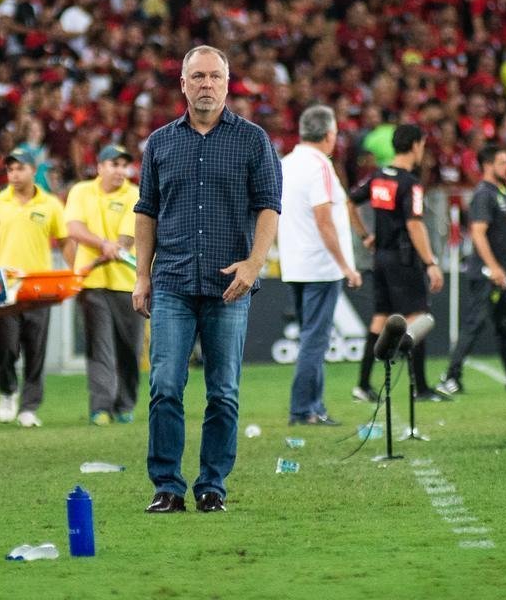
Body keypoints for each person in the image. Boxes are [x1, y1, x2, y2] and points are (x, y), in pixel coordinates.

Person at [132, 44, 282, 514]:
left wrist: (255, 263)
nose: (206, 85)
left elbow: (269, 206)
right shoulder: (159, 142)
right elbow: (146, 212)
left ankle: (213, 484)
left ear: (227, 82)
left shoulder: (253, 139)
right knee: (165, 386)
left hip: (229, 283)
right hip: (173, 280)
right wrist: (141, 276)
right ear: (182, 84)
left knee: (223, 391)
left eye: (214, 77)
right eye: (197, 77)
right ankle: (167, 486)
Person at [278, 104, 367, 426]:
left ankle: (313, 406)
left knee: (309, 337)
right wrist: (345, 265)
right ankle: (303, 409)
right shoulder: (320, 167)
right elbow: (324, 220)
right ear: (330, 135)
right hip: (320, 266)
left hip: (295, 263)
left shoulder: (286, 163)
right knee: (315, 340)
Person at [349, 124, 446, 403]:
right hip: (404, 260)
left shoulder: (378, 177)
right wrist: (430, 263)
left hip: (380, 258)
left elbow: (350, 202)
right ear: (415, 145)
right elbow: (415, 225)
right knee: (418, 317)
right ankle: (421, 388)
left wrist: (366, 236)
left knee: (381, 317)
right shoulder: (410, 183)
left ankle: (363, 385)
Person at [0, 147, 72, 428]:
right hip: (4, 288)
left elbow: (65, 240)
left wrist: (73, 271)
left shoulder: (51, 204)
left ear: (33, 171)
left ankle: (29, 407)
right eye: (10, 169)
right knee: (4, 346)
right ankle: (7, 391)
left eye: (20, 168)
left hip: (39, 287)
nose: (14, 174)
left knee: (36, 348)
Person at [64, 143, 142, 426]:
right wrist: (104, 245)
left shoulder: (135, 194)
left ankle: (125, 403)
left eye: (124, 165)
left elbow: (128, 238)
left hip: (127, 283)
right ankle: (101, 407)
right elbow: (74, 229)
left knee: (129, 349)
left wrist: (117, 246)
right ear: (100, 167)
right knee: (99, 346)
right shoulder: (80, 191)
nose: (120, 170)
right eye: (114, 164)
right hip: (91, 281)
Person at [438, 145, 506, 395]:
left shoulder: (500, 192)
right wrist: (494, 267)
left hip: (498, 272)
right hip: (486, 272)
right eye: (501, 163)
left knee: (503, 325)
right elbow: (477, 233)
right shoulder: (484, 194)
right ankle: (450, 376)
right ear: (487, 165)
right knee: (474, 323)